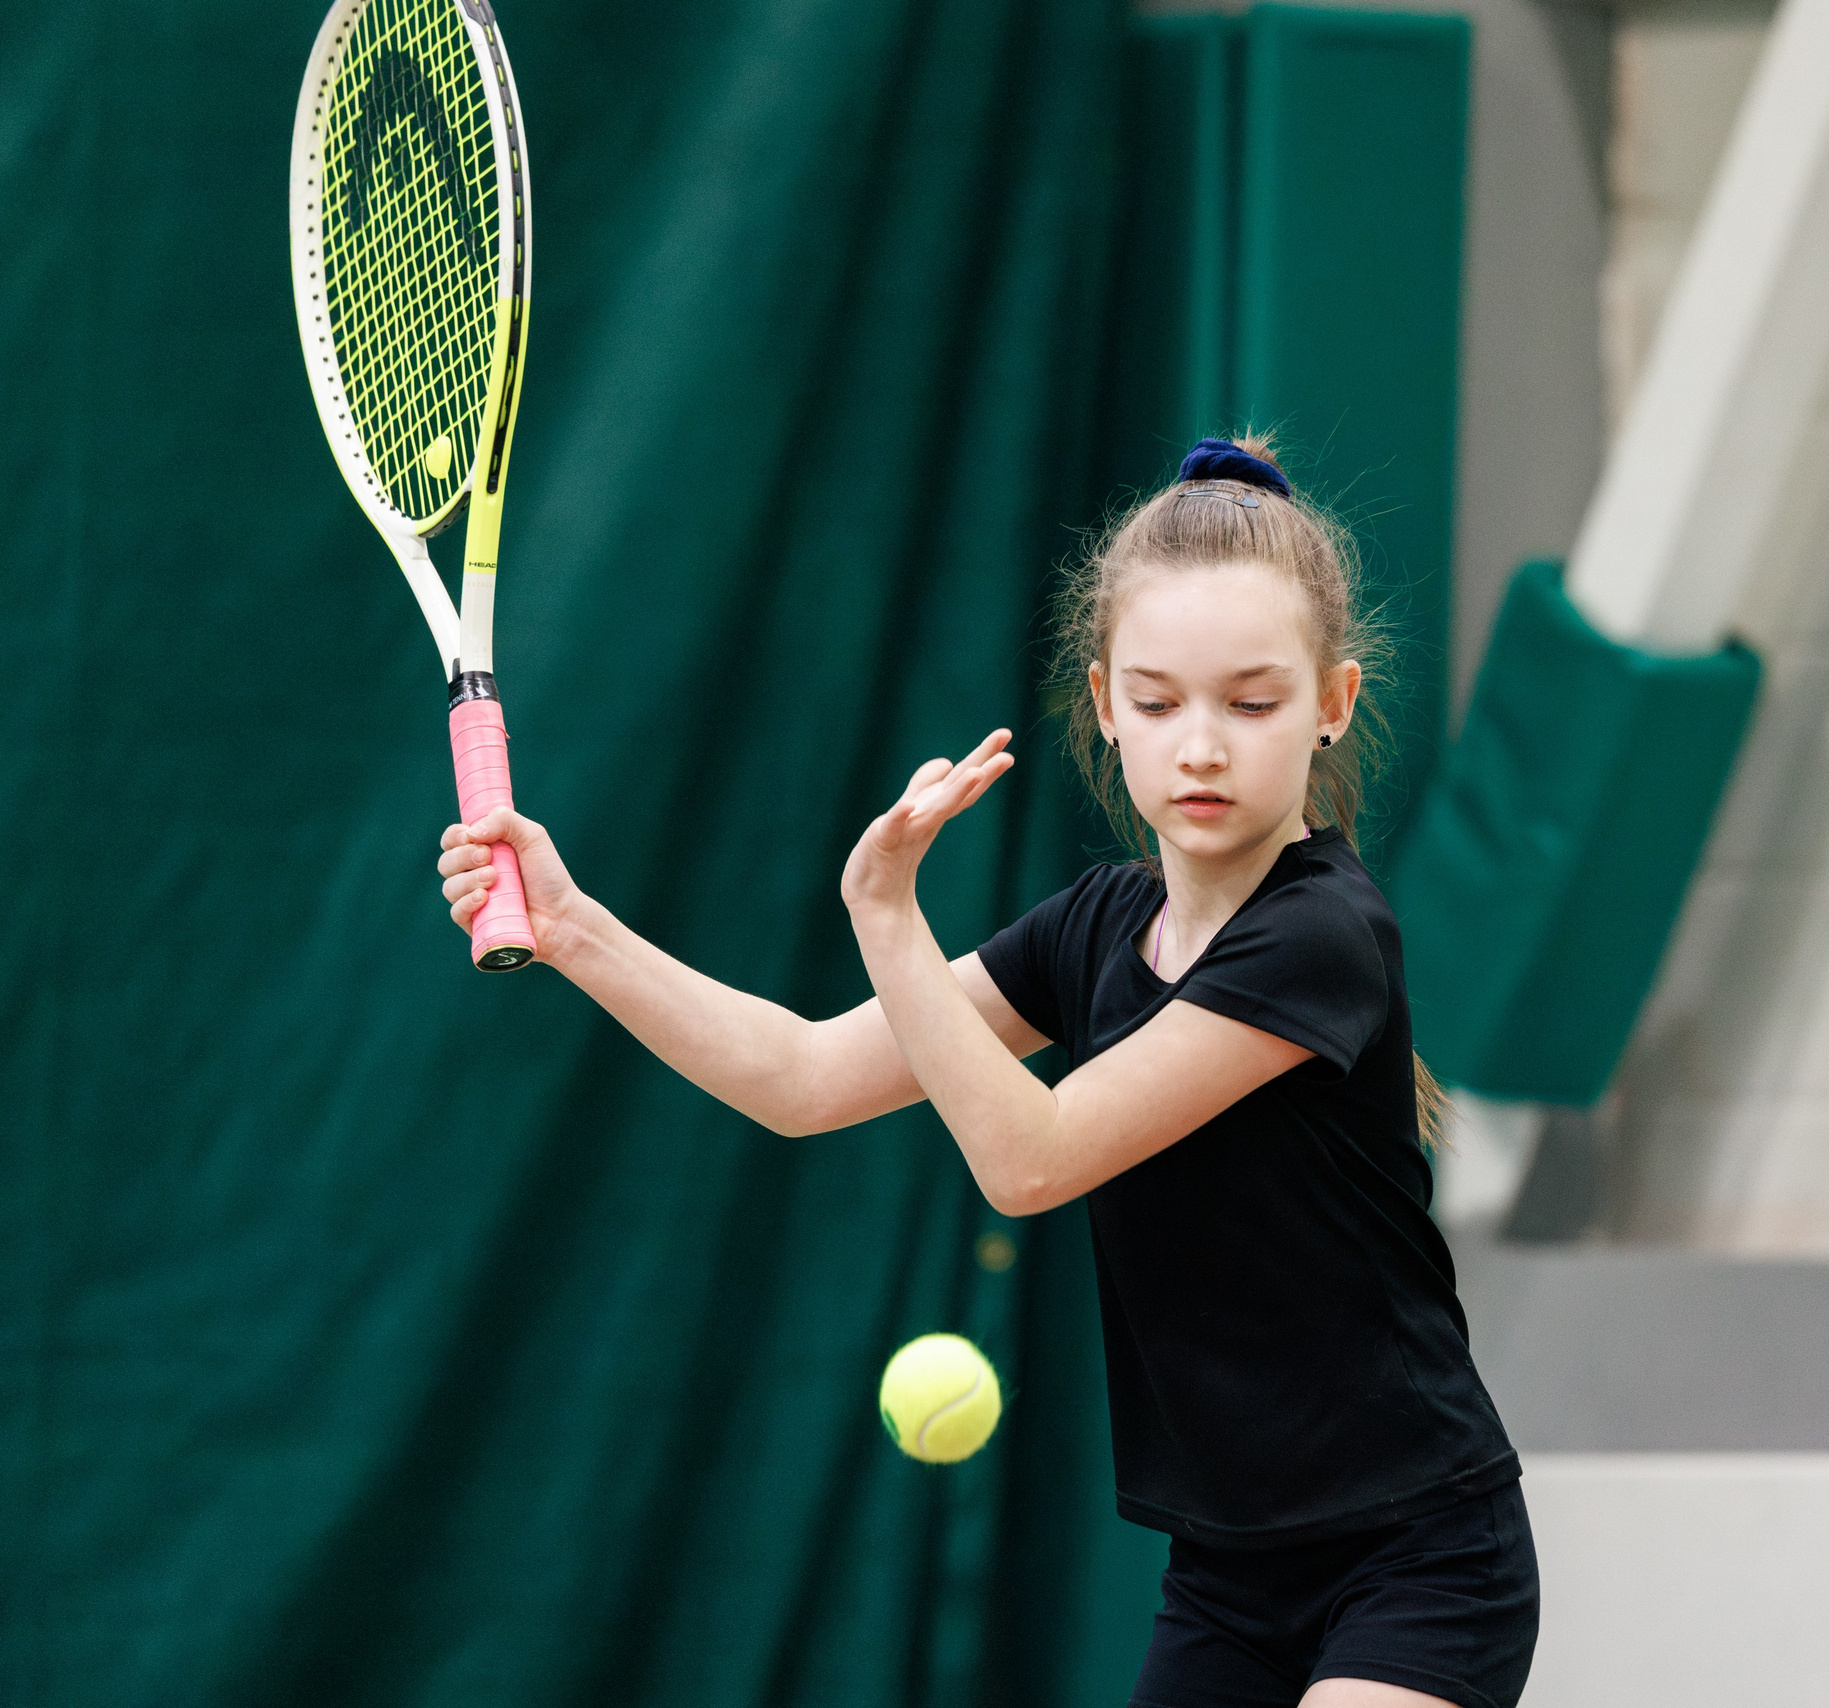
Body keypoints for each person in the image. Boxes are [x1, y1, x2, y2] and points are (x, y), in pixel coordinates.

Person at [435, 436, 1538, 1708]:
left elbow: (1032, 1158)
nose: (1202, 747)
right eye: (1160, 699)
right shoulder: (1091, 928)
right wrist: (576, 929)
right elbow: (801, 1077)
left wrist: (888, 918)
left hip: (1420, 1558)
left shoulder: (1319, 937)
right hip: (1230, 1578)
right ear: (1106, 700)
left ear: (1333, 701)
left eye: (1252, 701)